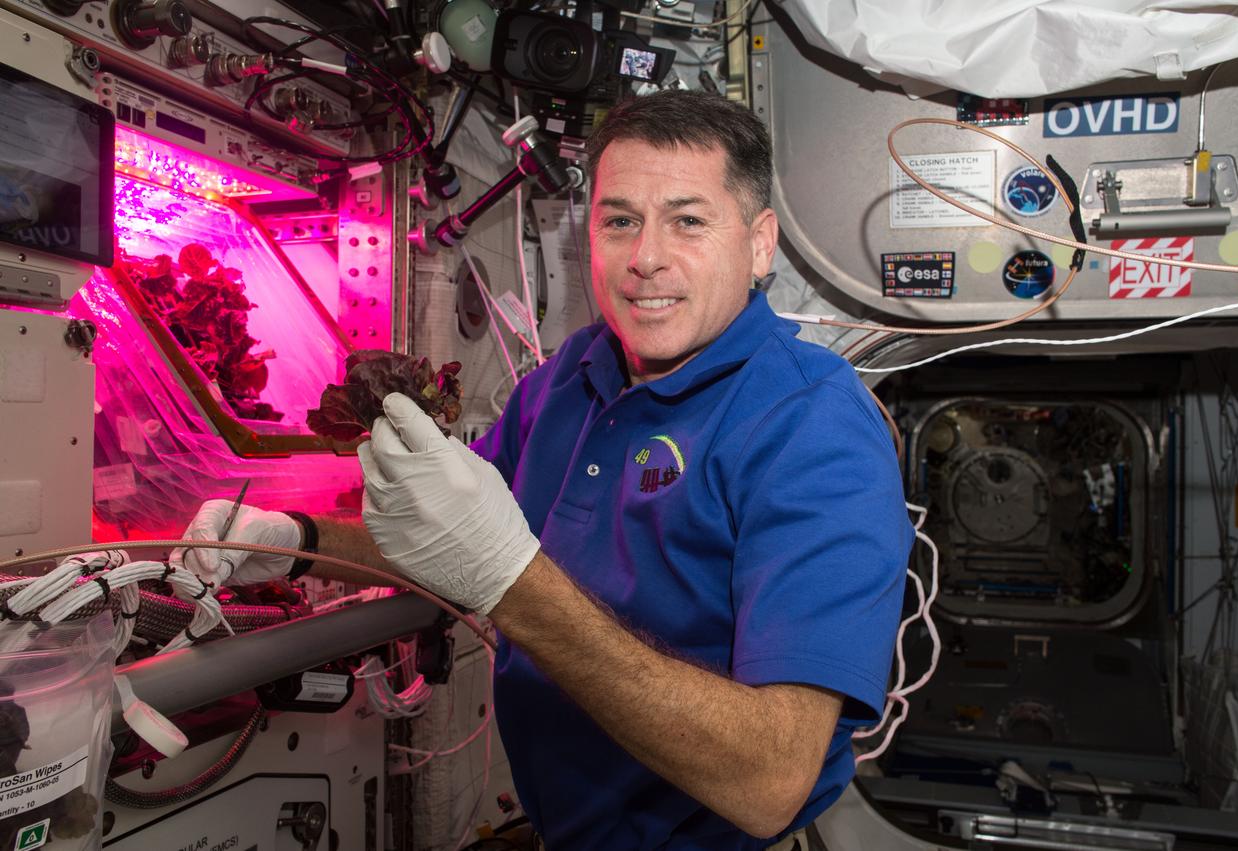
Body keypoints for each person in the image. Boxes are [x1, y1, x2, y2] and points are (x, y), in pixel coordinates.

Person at [176, 90, 913, 849]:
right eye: (619, 220)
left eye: (688, 221)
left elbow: (769, 781)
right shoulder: (570, 376)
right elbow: (454, 543)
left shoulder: (812, 422)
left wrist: (511, 581)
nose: (645, 257)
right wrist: (294, 539)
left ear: (759, 245)